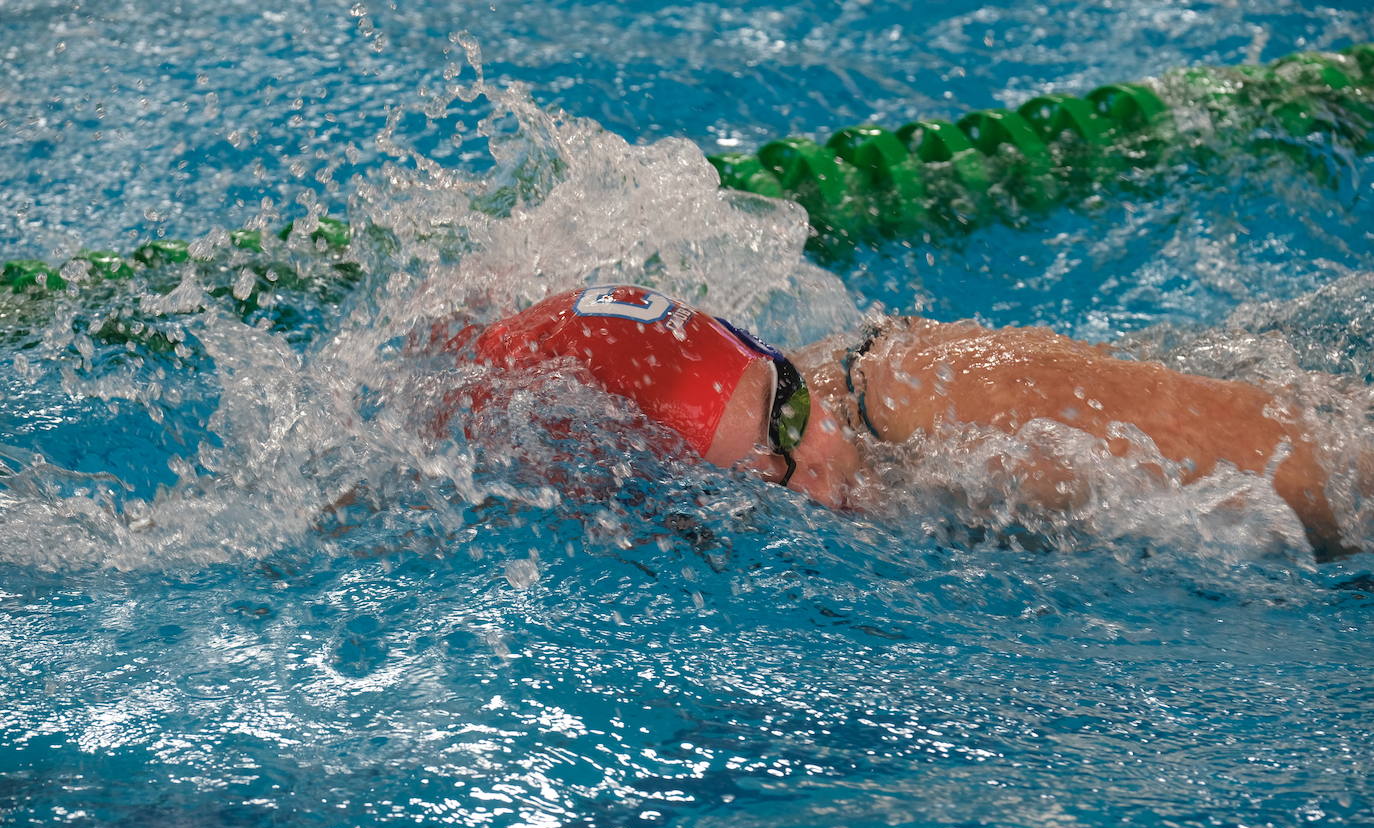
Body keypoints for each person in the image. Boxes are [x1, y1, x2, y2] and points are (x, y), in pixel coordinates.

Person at [449, 284, 1354, 556]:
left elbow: (1321, 464)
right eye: (759, 487)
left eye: (786, 417)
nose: (812, 482)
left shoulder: (945, 398)